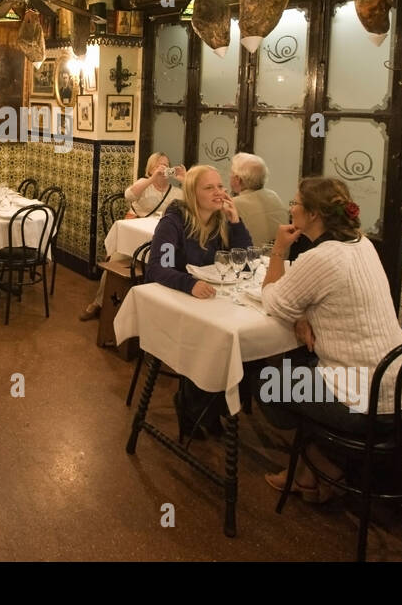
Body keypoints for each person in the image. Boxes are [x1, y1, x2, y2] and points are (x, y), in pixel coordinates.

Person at [257, 178, 402, 502]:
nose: (290, 208)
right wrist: (301, 316)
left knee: (264, 378)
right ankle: (310, 474)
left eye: (295, 203)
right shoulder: (363, 244)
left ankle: (322, 465)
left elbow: (273, 301)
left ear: (314, 214)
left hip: (369, 401)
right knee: (301, 367)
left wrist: (278, 249)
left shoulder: (320, 258)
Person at [146, 165, 254, 438]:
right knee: (215, 341)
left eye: (220, 186)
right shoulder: (174, 221)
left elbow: (247, 261)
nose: (219, 193)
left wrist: (236, 222)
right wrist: (189, 284)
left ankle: (212, 402)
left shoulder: (221, 220)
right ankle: (194, 403)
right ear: (193, 193)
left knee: (244, 343)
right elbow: (158, 268)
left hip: (211, 301)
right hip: (176, 304)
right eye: (210, 188)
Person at [78, 152, 185, 321]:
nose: (163, 168)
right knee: (115, 262)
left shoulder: (177, 192)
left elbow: (194, 203)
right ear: (150, 169)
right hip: (134, 238)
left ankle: (155, 312)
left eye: (166, 165)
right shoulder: (143, 184)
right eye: (158, 165)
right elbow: (129, 195)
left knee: (169, 266)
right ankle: (98, 302)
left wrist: (184, 179)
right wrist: (151, 179)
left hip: (161, 240)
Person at [229, 152, 285, 246]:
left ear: (238, 179)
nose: (229, 176)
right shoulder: (274, 196)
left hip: (251, 259)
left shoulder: (233, 204)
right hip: (281, 257)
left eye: (231, 173)